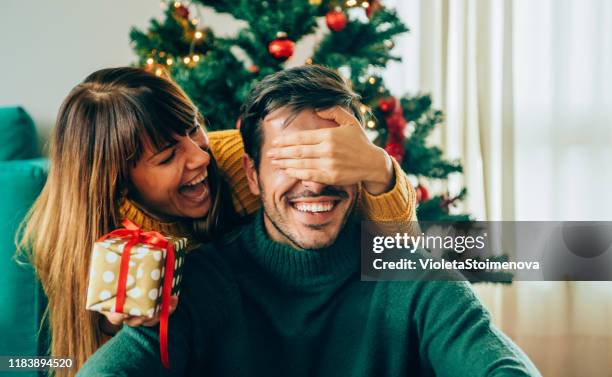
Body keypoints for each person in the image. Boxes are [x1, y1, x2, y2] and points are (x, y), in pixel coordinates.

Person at [76, 65, 540, 377]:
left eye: (329, 159)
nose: (313, 183)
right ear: (251, 175)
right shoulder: (198, 283)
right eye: (289, 160)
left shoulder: (414, 276)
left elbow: (498, 364)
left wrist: (379, 170)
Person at [18, 67, 417, 376]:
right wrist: (114, 329)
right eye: (166, 156)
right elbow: (78, 358)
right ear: (120, 185)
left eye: (194, 129)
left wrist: (379, 169)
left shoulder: (242, 163)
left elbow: (404, 255)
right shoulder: (85, 245)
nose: (199, 158)